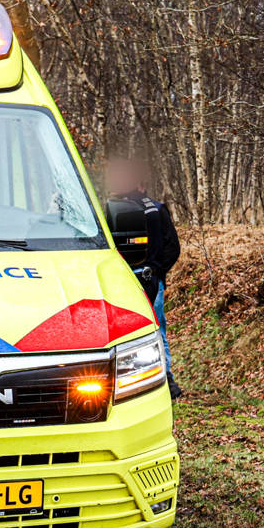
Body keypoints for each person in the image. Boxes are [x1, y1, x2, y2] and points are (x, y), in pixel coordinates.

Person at [106, 158, 182, 399]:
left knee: (153, 328)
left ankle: (164, 379)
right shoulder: (116, 208)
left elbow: (172, 248)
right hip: (130, 279)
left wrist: (155, 270)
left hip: (144, 279)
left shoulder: (148, 209)